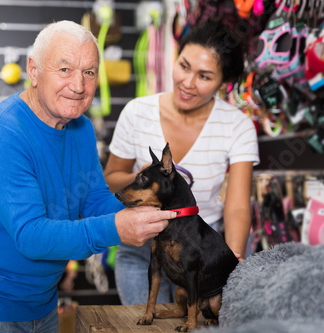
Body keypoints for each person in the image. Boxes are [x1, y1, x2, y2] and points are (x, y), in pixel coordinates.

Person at [0, 20, 176, 332]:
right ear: (34, 70)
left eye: (89, 72)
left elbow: (94, 199)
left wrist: (143, 215)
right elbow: (31, 236)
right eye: (64, 69)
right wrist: (116, 228)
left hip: (43, 299)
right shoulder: (1, 136)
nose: (79, 86)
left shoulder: (79, 127)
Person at [104, 20, 260, 305]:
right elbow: (112, 176)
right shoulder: (137, 112)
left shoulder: (237, 126)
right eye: (184, 66)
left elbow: (237, 205)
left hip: (199, 252)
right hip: (142, 251)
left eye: (204, 76)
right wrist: (140, 178)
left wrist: (231, 259)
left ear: (223, 82)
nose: (188, 83)